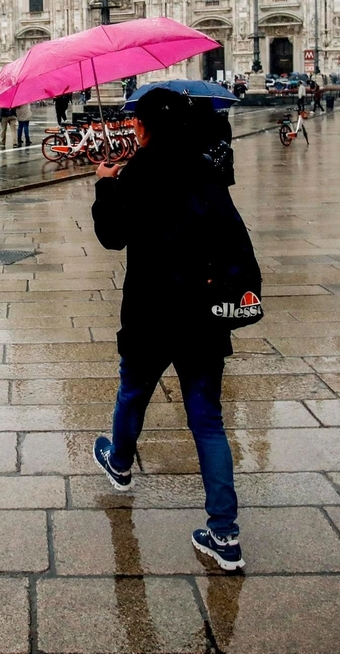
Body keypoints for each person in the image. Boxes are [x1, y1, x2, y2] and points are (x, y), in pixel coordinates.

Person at [90, 89, 251, 572]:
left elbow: (111, 237)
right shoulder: (209, 171)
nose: (133, 127)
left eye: (138, 121)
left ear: (147, 127)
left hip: (150, 313)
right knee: (208, 422)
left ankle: (119, 463)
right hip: (202, 314)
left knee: (133, 392)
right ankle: (224, 533)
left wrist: (105, 184)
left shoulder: (137, 174)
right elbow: (230, 236)